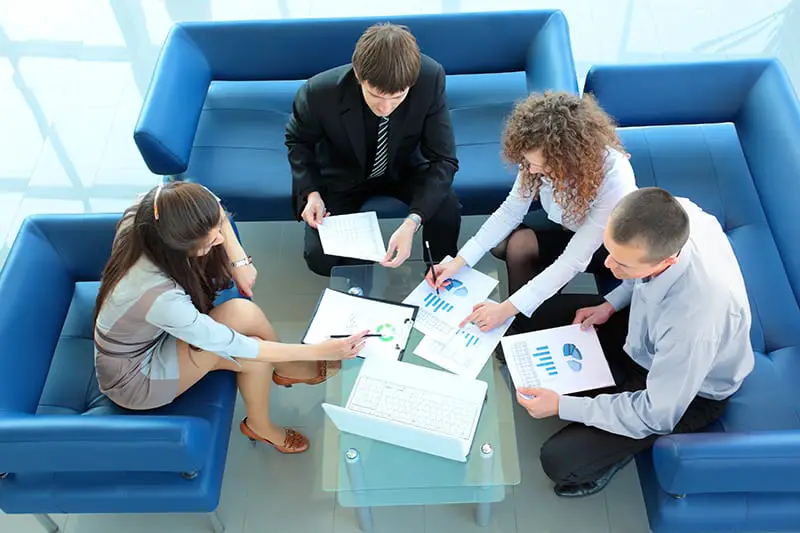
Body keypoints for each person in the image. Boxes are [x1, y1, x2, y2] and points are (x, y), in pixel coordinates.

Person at [94, 182, 368, 454]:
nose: (220, 240)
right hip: (136, 377)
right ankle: (261, 426)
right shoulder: (159, 296)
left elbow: (210, 201)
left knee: (243, 310)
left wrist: (239, 261)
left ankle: (287, 369)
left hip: (152, 337)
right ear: (178, 246)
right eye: (211, 241)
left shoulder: (142, 217)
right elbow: (234, 345)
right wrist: (319, 351)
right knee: (251, 360)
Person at [515, 188, 755, 497]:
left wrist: (563, 405)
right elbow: (637, 278)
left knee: (559, 460)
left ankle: (619, 450)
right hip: (645, 332)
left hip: (692, 391)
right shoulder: (676, 213)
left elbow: (658, 412)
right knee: (533, 317)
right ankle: (613, 391)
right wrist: (610, 304)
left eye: (622, 265)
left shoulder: (697, 318)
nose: (607, 265)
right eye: (610, 252)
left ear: (665, 262)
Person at [426, 92, 636, 335]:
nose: (532, 170)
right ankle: (522, 319)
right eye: (528, 162)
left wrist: (503, 309)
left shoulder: (614, 178)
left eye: (542, 166)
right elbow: (510, 211)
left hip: (610, 249)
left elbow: (572, 260)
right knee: (516, 245)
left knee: (527, 304)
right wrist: (459, 262)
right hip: (571, 231)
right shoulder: (536, 161)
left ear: (568, 159)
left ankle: (520, 323)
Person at [286, 22, 461, 277]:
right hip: (343, 173)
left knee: (446, 208)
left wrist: (412, 222)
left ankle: (437, 274)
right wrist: (311, 194)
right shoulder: (318, 93)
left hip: (405, 167)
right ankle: (360, 281)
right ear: (358, 74)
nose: (386, 108)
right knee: (320, 258)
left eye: (397, 97)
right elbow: (298, 142)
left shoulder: (430, 78)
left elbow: (444, 158)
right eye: (377, 96)